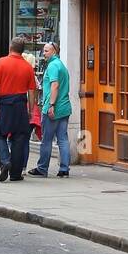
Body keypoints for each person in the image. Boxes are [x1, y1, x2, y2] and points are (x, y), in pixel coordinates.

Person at [0, 37, 36, 182]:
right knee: (19, 138)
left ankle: (5, 160)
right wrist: (30, 110)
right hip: (20, 105)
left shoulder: (2, 62)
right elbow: (32, 91)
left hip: (3, 104)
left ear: (10, 47)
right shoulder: (28, 67)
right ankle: (15, 173)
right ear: (23, 50)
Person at [28, 42, 71, 178]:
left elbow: (55, 86)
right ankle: (64, 169)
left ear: (54, 51)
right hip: (65, 107)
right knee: (62, 139)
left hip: (53, 108)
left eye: (46, 51)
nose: (43, 53)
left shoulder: (52, 66)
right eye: (44, 51)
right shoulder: (62, 65)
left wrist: (51, 105)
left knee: (46, 139)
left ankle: (42, 168)